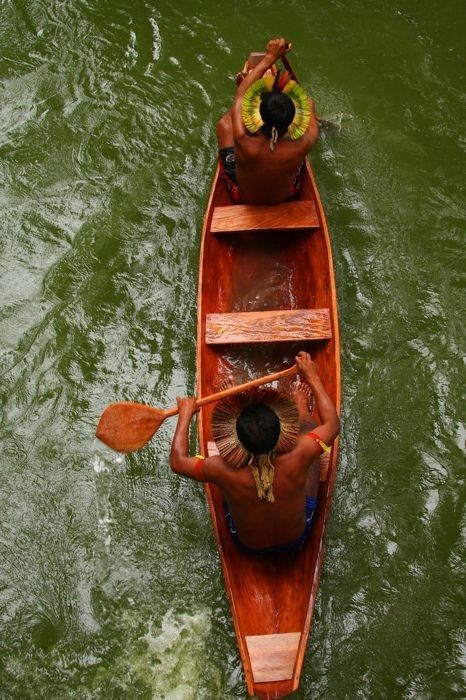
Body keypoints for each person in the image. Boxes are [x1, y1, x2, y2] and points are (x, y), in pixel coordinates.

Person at [169, 351, 340, 556]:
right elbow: (332, 424)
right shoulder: (300, 453)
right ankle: (301, 407)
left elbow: (178, 461)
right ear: (281, 433)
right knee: (309, 431)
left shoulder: (219, 468)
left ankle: (233, 401)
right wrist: (312, 376)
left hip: (248, 547)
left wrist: (185, 414)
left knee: (224, 475)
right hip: (297, 540)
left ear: (236, 441)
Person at [217, 37, 319, 204]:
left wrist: (271, 57)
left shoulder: (242, 138)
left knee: (226, 123)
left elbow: (242, 94)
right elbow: (309, 103)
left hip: (243, 198)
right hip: (287, 196)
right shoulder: (307, 140)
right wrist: (295, 94)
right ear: (290, 123)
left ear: (260, 116)